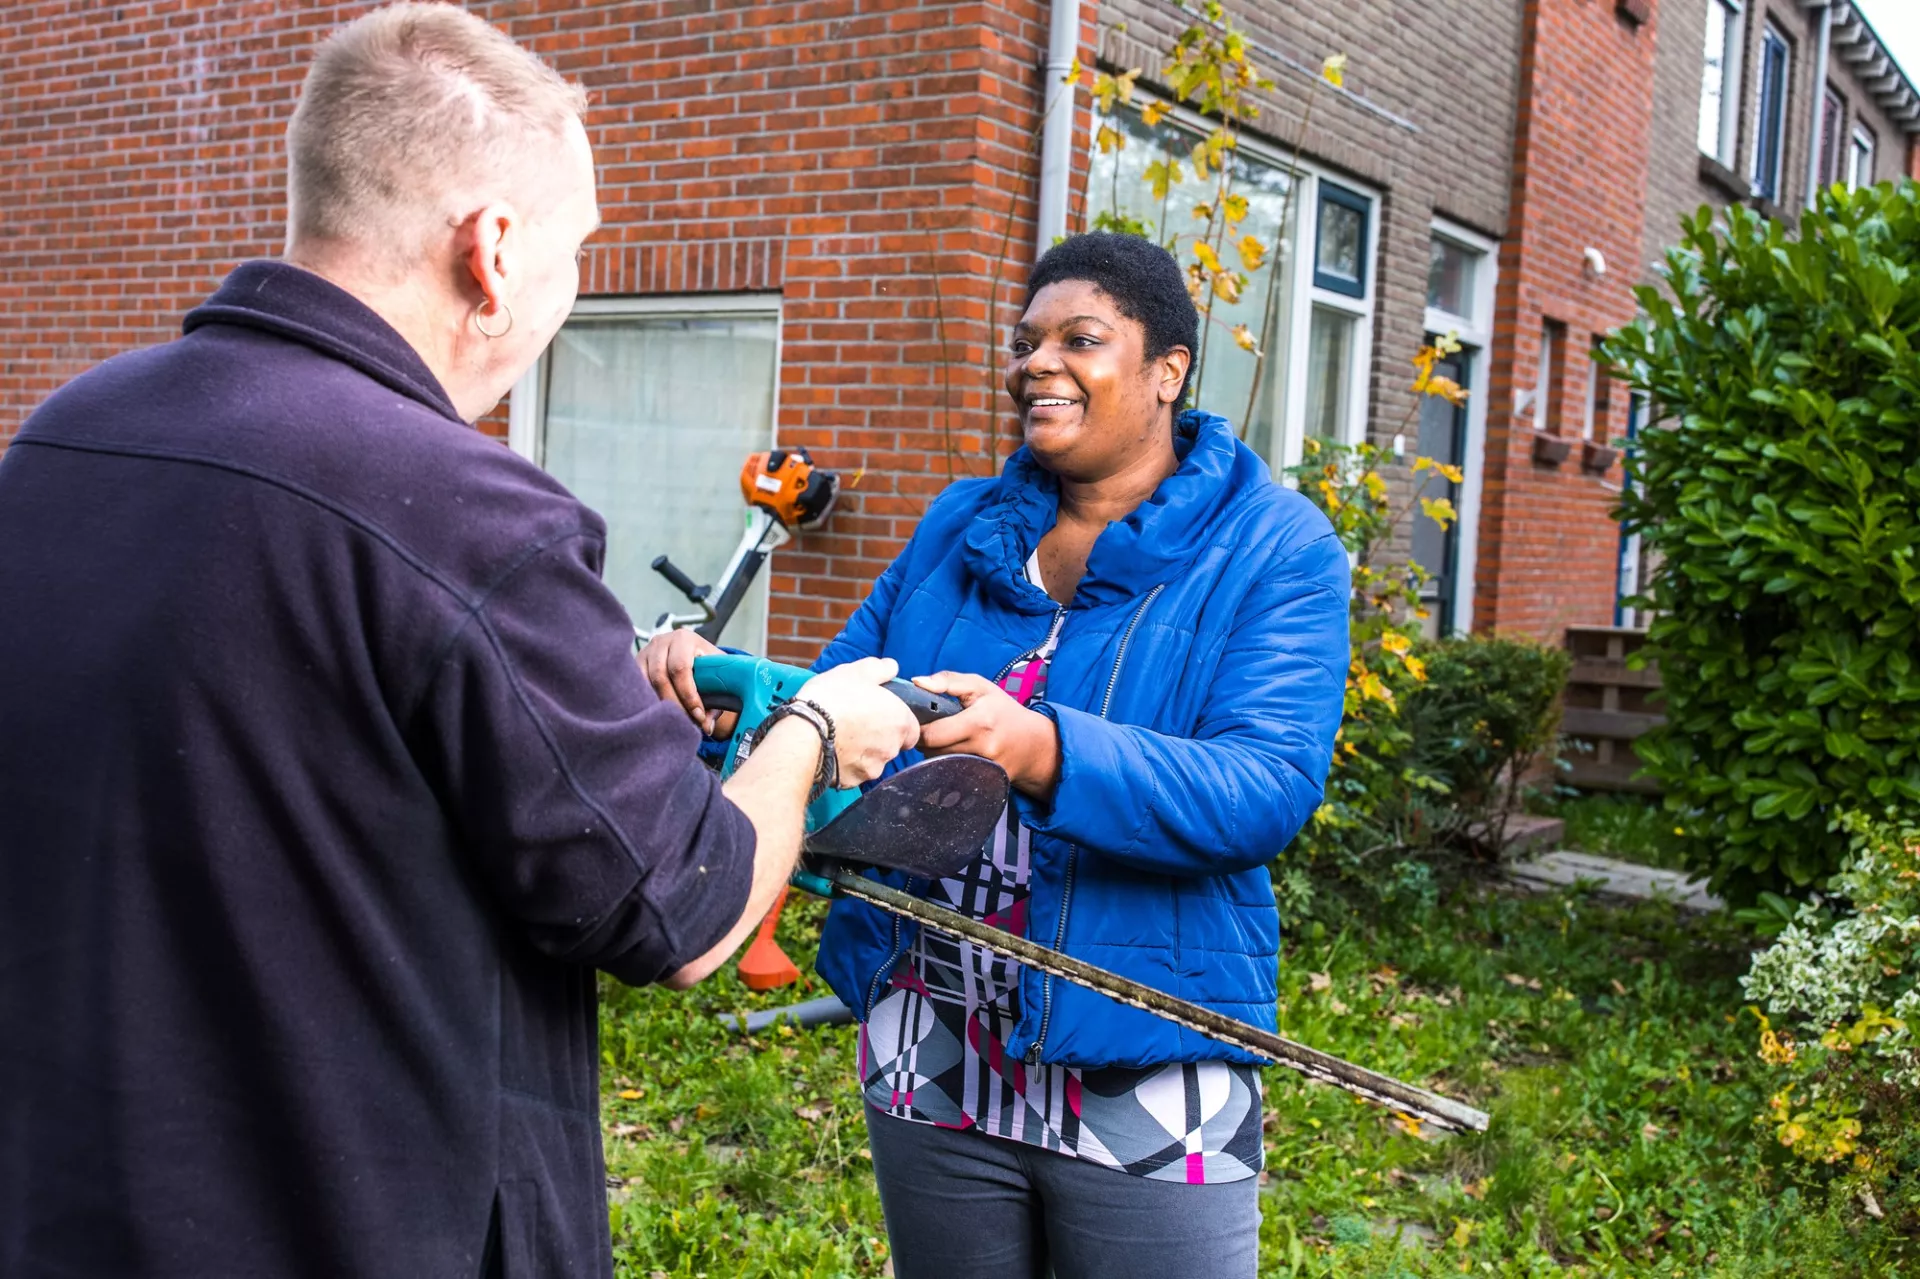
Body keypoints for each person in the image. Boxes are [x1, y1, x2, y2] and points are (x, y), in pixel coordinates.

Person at [0, 6, 919, 1277]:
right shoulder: (468, 511)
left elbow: (279, 770)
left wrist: (607, 720)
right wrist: (816, 733)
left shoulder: (65, 439)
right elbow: (689, 912)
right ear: (492, 250)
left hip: (71, 1208)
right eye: (577, 250)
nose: (570, 289)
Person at [642, 231, 1350, 1277]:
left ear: (1169, 370)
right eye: (1026, 341)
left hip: (1139, 1054)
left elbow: (1264, 790)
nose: (1037, 364)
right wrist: (730, 688)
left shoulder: (1276, 547)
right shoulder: (959, 524)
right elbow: (838, 701)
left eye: (1081, 338)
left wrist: (1040, 747)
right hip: (931, 1035)